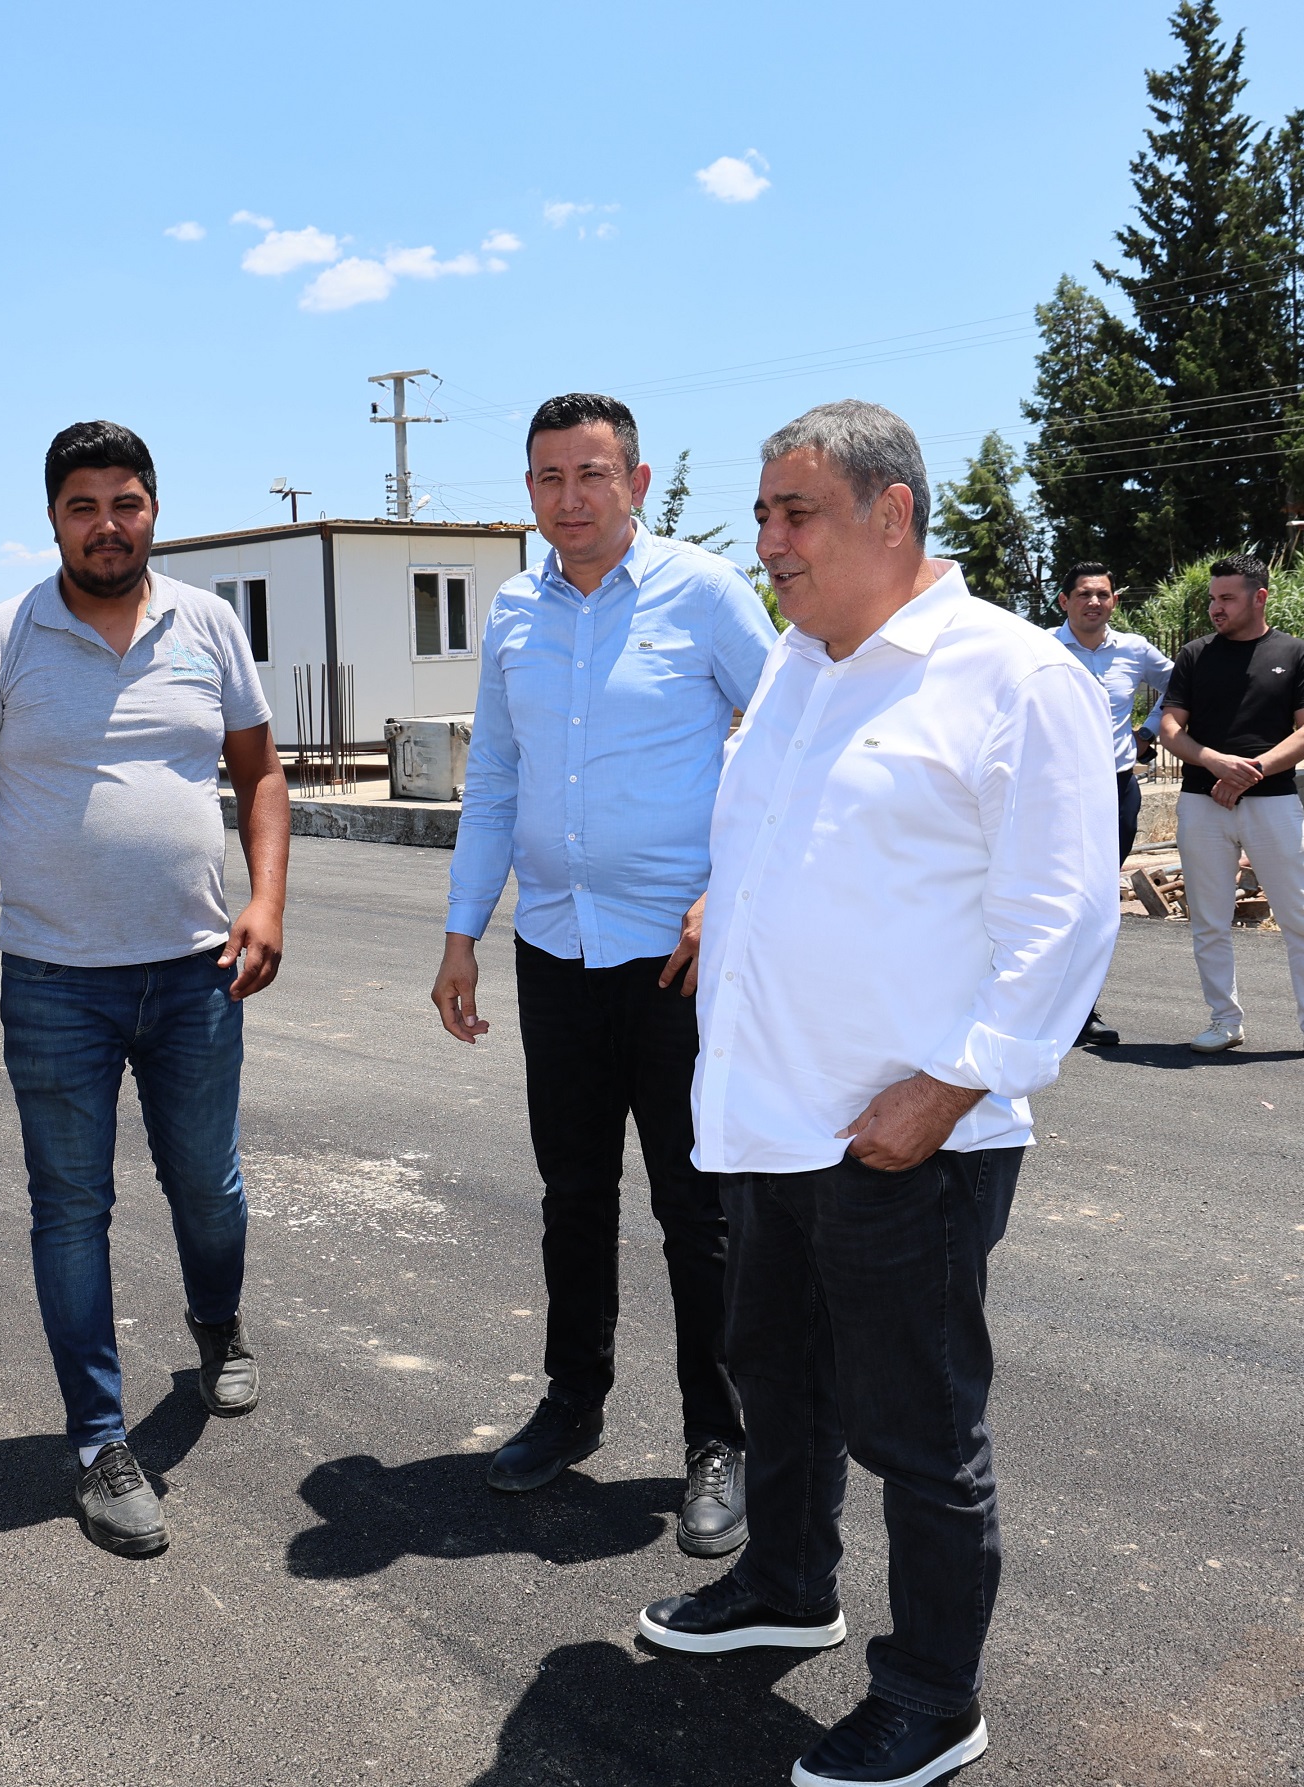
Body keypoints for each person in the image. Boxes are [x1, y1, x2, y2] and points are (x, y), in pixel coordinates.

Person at [633, 401, 1118, 1787]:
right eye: (763, 515)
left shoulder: (1012, 675)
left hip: (906, 1136)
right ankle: (787, 1584)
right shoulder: (799, 667)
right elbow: (797, 838)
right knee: (779, 1376)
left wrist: (954, 1084)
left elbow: (1064, 912)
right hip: (772, 1116)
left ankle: (931, 1696)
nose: (770, 543)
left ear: (891, 513)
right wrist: (730, 908)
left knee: (918, 1428)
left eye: (795, 514)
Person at [0, 420, 293, 1558]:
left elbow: (260, 773)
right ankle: (97, 1441)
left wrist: (266, 902)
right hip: (55, 982)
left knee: (208, 1186)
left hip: (196, 969)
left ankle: (217, 1324)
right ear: (53, 519)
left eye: (126, 503)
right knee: (70, 1206)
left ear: (153, 511)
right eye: (83, 506)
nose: (107, 525)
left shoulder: (209, 625)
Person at [430, 392, 777, 1558]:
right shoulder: (514, 613)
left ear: (634, 480)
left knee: (697, 1209)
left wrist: (729, 889)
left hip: (678, 959)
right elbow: (494, 781)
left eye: (591, 475)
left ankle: (719, 1437)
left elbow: (790, 740)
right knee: (572, 1194)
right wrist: (462, 930)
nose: (569, 498)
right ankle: (572, 1400)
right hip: (555, 948)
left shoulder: (705, 593)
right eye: (548, 478)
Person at [1155, 555, 1304, 1066]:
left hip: (1273, 804)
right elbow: (1171, 728)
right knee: (1209, 920)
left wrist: (1252, 771)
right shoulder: (1195, 655)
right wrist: (1215, 762)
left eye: (1227, 598)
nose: (1215, 608)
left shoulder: (1295, 653)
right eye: (1212, 598)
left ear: (1259, 597)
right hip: (1202, 804)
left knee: (1301, 917)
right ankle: (1223, 1021)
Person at [1052, 561, 1175, 1047]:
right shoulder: (1040, 647)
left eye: (1103, 594)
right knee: (1054, 896)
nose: (1094, 602)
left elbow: (1181, 684)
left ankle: (1082, 1011)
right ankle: (1040, 1005)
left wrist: (1148, 731)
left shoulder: (1134, 649)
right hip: (1057, 792)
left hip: (1116, 788)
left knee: (1099, 902)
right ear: (1064, 601)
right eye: (1084, 594)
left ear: (1114, 601)